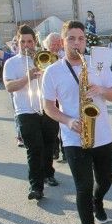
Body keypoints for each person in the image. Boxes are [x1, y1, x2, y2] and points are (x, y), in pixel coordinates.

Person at [43, 20, 112, 224]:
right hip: (74, 138)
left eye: (81, 39)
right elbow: (48, 106)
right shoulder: (52, 71)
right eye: (72, 39)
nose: (77, 43)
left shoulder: (97, 65)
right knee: (83, 187)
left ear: (86, 41)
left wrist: (101, 90)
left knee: (105, 181)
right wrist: (67, 121)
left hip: (102, 135)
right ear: (63, 42)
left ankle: (99, 201)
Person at [3, 24, 60, 201]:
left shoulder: (45, 58)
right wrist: (26, 77)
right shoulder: (11, 63)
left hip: (47, 109)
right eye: (23, 42)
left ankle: (48, 173)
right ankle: (36, 187)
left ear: (34, 42)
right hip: (25, 111)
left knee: (49, 144)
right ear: (17, 42)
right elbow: (9, 86)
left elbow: (56, 82)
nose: (26, 45)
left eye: (29, 41)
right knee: (34, 148)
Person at [42, 32, 66, 162]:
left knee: (64, 124)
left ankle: (66, 151)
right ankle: (54, 151)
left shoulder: (65, 55)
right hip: (50, 97)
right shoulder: (43, 56)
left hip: (62, 96)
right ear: (47, 45)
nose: (56, 46)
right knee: (51, 126)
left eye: (58, 43)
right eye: (53, 44)